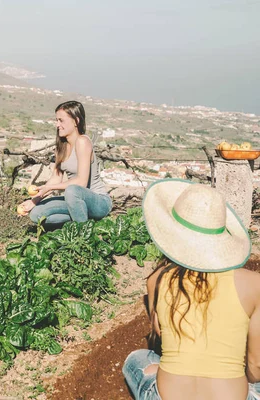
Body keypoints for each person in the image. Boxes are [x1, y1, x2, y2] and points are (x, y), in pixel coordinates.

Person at [122, 178, 260, 400]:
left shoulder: (156, 279)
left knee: (138, 359)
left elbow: (159, 336)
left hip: (168, 395)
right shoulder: (254, 284)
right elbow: (256, 363)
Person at [18, 100, 111, 228]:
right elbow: (56, 178)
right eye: (56, 120)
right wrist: (34, 201)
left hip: (98, 202)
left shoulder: (83, 141)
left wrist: (50, 188)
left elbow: (81, 182)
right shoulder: (61, 147)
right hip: (74, 201)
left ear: (75, 121)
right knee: (36, 214)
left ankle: (83, 233)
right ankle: (80, 219)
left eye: (61, 120)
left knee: (72, 190)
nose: (57, 125)